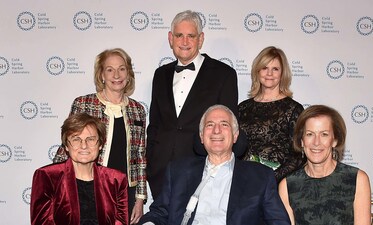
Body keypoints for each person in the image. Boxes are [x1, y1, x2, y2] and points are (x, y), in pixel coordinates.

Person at [138, 105, 291, 225]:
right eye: (210, 125)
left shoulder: (260, 177)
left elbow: (279, 221)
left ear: (235, 135)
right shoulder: (178, 171)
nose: (216, 130)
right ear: (201, 136)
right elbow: (158, 213)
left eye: (224, 124)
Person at [146, 10, 239, 199]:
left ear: (201, 39)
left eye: (191, 36)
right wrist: (151, 162)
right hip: (161, 174)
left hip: (202, 172)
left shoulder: (223, 74)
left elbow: (229, 127)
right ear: (171, 38)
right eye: (179, 35)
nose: (185, 41)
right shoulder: (160, 75)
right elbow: (154, 124)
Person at [53, 48, 147, 224]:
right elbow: (67, 146)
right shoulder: (83, 104)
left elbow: (140, 156)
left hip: (125, 192)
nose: (116, 75)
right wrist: (56, 185)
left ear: (128, 74)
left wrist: (140, 198)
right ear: (101, 75)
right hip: (87, 187)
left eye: (122, 68)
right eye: (110, 69)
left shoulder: (138, 110)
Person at [278, 105, 371, 225]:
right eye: (310, 134)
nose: (316, 142)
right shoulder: (287, 185)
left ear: (335, 140)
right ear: (302, 141)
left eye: (324, 134)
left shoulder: (357, 179)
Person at [31, 113, 128, 225]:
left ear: (100, 144)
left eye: (90, 139)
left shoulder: (116, 179)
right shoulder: (48, 176)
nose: (83, 146)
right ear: (66, 145)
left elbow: (120, 222)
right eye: (76, 139)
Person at [238, 46, 304, 182]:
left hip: (277, 185)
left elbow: (299, 156)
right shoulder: (243, 108)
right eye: (264, 68)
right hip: (244, 180)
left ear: (282, 73)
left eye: (275, 69)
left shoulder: (293, 109)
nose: (269, 73)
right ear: (257, 71)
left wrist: (271, 179)